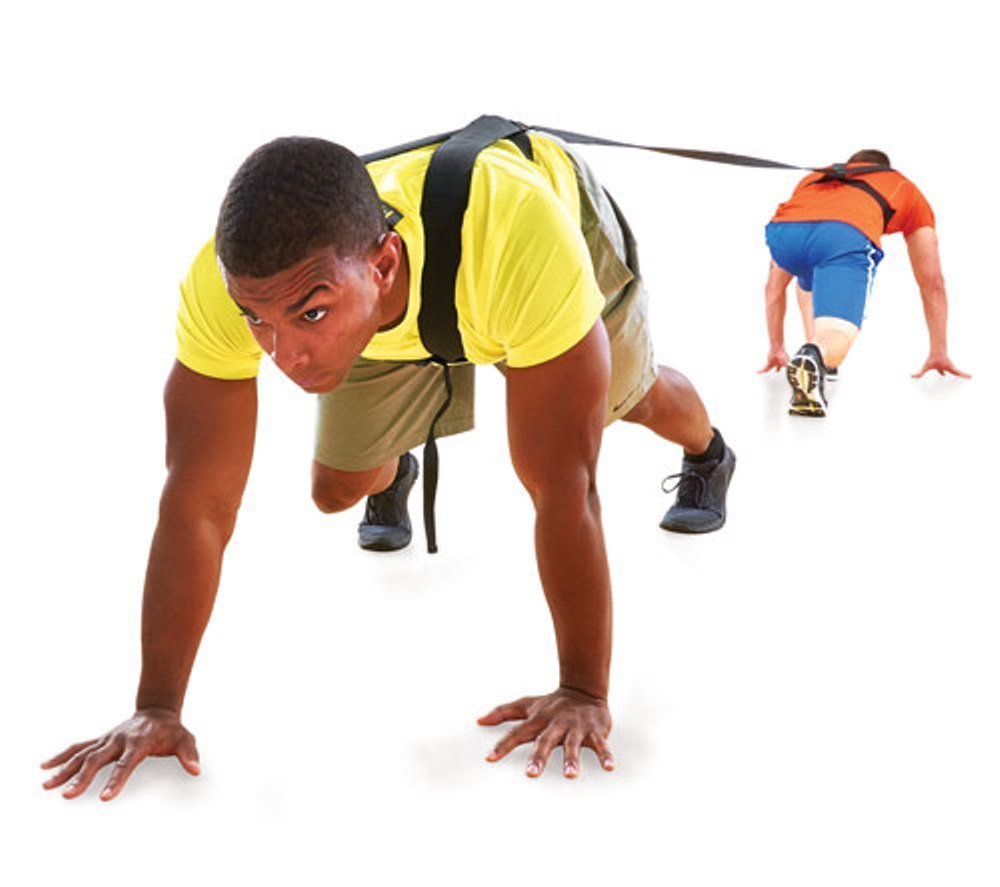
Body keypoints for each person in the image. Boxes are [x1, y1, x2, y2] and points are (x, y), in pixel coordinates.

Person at [41, 128, 735, 800]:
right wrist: (157, 706)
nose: (282, 357)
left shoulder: (522, 236)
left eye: (306, 317)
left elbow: (565, 491)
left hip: (530, 253)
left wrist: (584, 692)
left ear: (384, 265)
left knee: (629, 401)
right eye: (259, 323)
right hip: (389, 309)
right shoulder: (238, 286)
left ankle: (709, 450)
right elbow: (195, 502)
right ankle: (397, 456)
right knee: (337, 490)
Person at [758, 149, 969, 416]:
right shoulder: (903, 186)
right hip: (843, 235)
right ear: (884, 168)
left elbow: (773, 288)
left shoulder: (815, 178)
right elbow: (932, 281)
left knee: (809, 270)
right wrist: (939, 350)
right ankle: (819, 353)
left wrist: (776, 347)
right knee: (839, 334)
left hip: (783, 233)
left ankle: (815, 352)